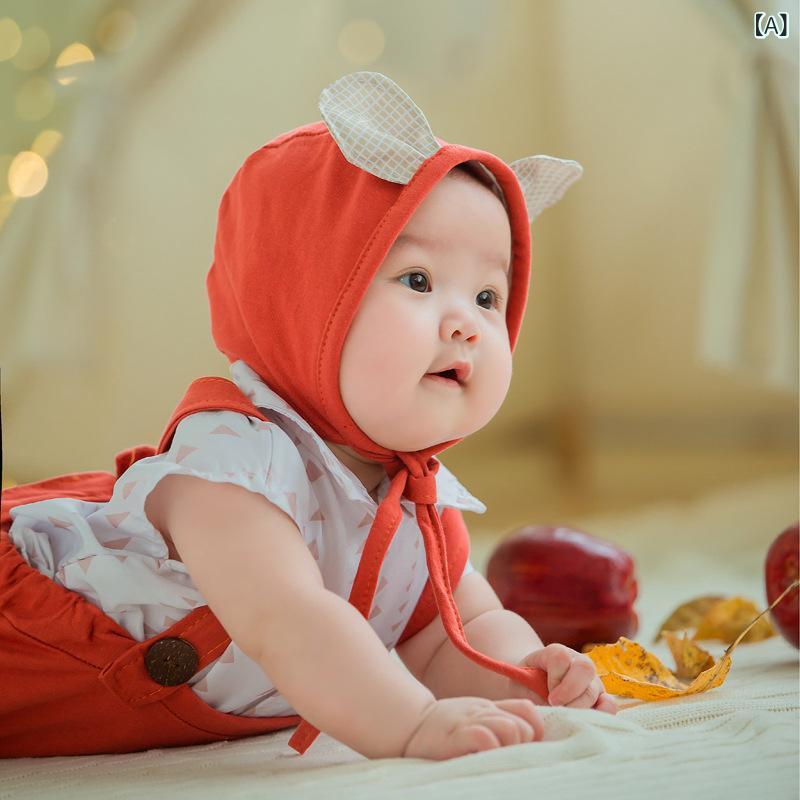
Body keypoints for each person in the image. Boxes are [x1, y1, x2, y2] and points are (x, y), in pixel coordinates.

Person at [2, 71, 615, 761]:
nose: (467, 324)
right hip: (26, 650)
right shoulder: (233, 462)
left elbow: (451, 636)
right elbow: (285, 618)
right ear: (303, 308)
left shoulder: (417, 500)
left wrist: (527, 679)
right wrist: (409, 725)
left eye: (486, 296)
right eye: (418, 281)